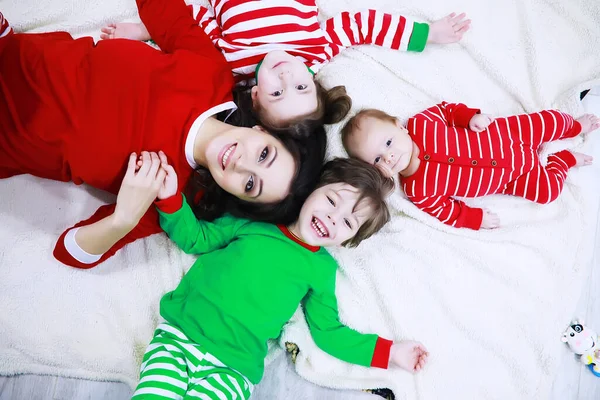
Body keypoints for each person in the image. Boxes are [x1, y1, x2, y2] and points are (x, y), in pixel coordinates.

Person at [0, 3, 325, 269]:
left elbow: (69, 253)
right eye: (264, 154)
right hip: (13, 50)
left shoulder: (169, 193)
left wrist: (123, 219)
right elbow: (164, 13)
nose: (242, 164)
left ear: (238, 197)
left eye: (251, 185)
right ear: (263, 130)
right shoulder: (212, 74)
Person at [114, 154, 427, 399]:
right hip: (179, 339)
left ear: (348, 241)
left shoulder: (321, 269)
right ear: (311, 190)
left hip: (233, 369)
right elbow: (196, 238)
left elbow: (328, 331)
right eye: (331, 201)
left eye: (347, 223)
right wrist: (170, 198)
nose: (333, 217)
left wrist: (391, 352)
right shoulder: (257, 221)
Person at [101, 0, 471, 129]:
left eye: (278, 92)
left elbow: (193, 21)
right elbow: (362, 24)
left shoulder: (231, 61)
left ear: (256, 95)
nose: (286, 74)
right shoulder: (313, 53)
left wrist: (142, 30)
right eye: (301, 86)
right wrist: (426, 34)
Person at [341, 104, 600, 229]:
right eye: (376, 160)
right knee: (547, 193)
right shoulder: (418, 191)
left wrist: (470, 117)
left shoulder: (421, 124)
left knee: (550, 121)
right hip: (511, 177)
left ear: (398, 125)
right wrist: (474, 218)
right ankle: (562, 161)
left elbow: (448, 111)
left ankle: (575, 127)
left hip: (507, 135)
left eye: (388, 142)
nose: (387, 157)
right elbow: (448, 211)